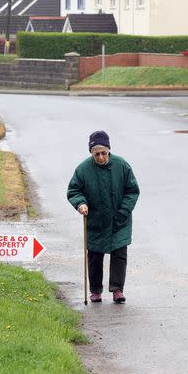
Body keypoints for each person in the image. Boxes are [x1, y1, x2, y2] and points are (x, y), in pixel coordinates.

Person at [67, 130, 140, 304]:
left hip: (119, 220)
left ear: (109, 151)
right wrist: (80, 203)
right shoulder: (83, 169)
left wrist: (123, 212)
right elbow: (74, 190)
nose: (100, 157)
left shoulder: (122, 166)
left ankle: (117, 290)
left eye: (103, 153)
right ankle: (96, 291)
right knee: (94, 256)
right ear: (91, 153)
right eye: (96, 154)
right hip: (96, 221)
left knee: (119, 254)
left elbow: (132, 191)